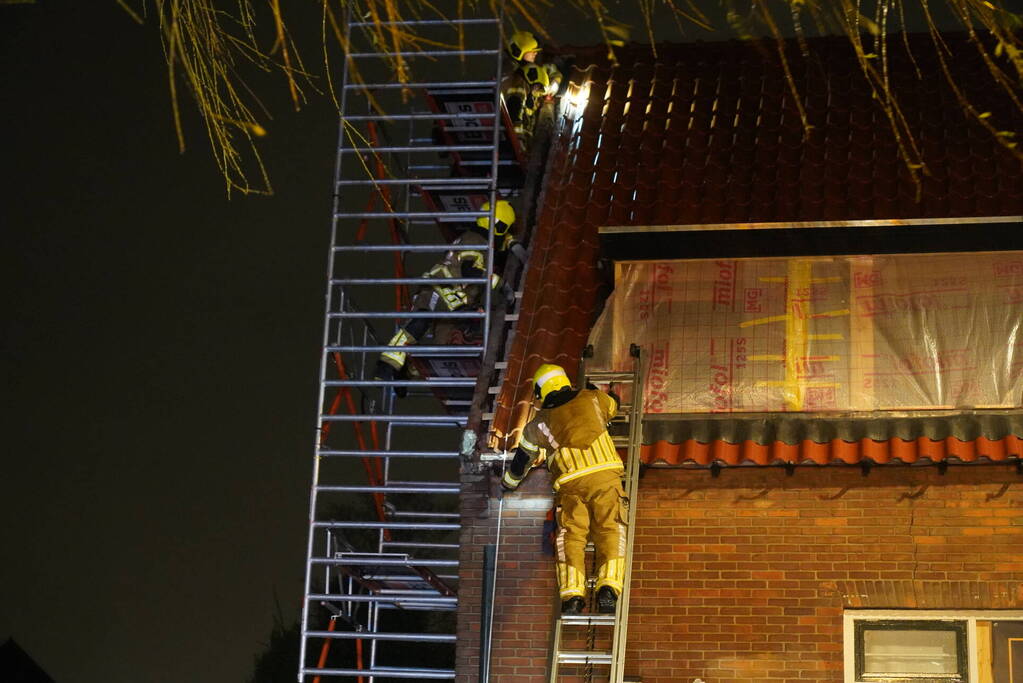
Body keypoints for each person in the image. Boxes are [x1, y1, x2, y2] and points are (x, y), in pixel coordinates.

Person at [502, 363, 625, 615]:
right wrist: (604, 393)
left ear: (541, 391)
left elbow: (521, 462)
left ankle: (573, 596)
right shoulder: (592, 399)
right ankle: (609, 588)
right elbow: (615, 403)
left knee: (571, 537)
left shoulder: (536, 425)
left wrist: (507, 485)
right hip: (604, 475)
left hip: (570, 484)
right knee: (611, 529)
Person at [374, 201, 520, 391]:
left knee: (443, 347)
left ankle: (407, 371)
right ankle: (386, 366)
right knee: (419, 323)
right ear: (499, 227)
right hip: (439, 288)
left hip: (455, 301)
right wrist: (500, 285)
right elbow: (470, 271)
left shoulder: (475, 239)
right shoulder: (476, 240)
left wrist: (511, 243)